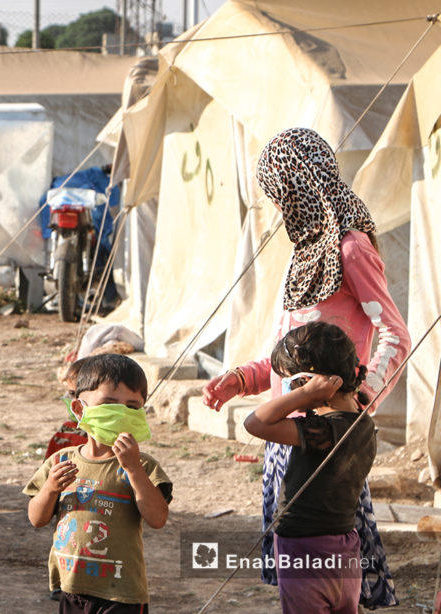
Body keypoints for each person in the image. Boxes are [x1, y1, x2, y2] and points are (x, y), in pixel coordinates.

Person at [203, 127, 410, 607]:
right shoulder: (305, 258)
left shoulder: (350, 249)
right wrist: (242, 379)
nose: (278, 208)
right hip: (288, 436)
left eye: (280, 195)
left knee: (333, 568)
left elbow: (395, 334)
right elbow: (288, 356)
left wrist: (359, 398)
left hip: (329, 440)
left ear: (301, 188)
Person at [243, 322, 375, 614]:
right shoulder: (364, 421)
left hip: (303, 548)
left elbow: (255, 423)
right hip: (345, 544)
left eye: (292, 381)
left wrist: (301, 397)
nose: (290, 390)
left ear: (314, 382)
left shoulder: (323, 431)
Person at [25, 353, 172, 614]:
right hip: (71, 589)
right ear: (80, 409)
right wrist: (50, 488)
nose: (121, 413)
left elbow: (158, 518)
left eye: (132, 406)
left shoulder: (144, 466)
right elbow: (36, 518)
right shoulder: (60, 460)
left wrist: (133, 469)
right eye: (109, 403)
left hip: (122, 595)